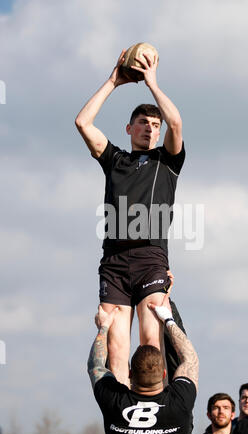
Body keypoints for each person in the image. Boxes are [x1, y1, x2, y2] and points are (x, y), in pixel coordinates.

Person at [76, 49, 185, 386]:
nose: (150, 129)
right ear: (129, 128)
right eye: (143, 123)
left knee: (150, 344)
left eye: (155, 125)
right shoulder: (115, 159)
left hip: (151, 258)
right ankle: (123, 419)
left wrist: (151, 82)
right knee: (116, 348)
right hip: (114, 261)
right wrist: (113, 81)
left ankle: (155, 412)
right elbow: (83, 122)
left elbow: (176, 122)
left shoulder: (167, 161)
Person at [87, 284, 199, 434]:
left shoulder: (115, 402)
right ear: (164, 374)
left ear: (130, 374)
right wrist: (168, 319)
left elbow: (96, 364)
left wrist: (103, 327)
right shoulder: (179, 402)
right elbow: (190, 360)